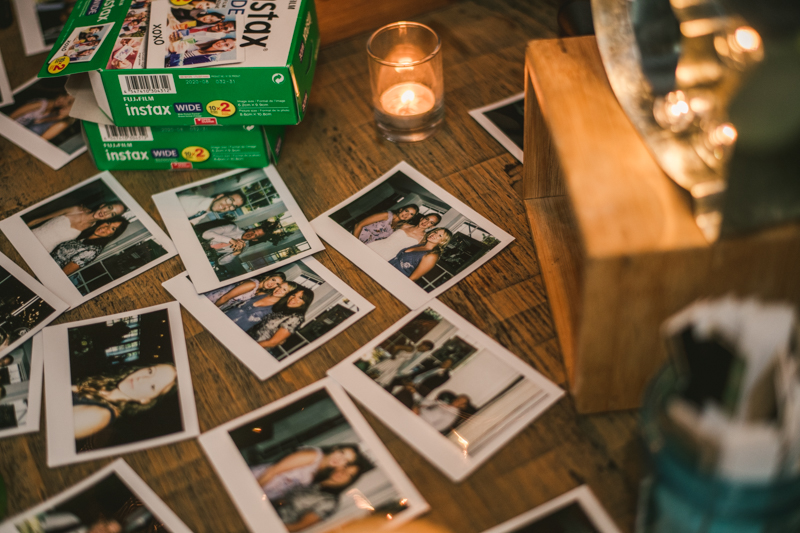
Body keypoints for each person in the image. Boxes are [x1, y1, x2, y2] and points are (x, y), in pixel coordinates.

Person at [71, 363, 178, 439]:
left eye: (152, 386)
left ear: (145, 400)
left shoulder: (101, 415)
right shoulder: (104, 384)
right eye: (150, 371)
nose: (142, 378)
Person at [250, 444, 367, 500]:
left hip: (267, 491)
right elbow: (272, 471)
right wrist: (251, 494)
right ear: (335, 448)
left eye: (345, 461)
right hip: (257, 481)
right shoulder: (313, 456)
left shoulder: (322, 470)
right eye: (341, 453)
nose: (339, 459)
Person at [27, 201, 127, 253]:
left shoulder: (91, 230)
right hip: (28, 237)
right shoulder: (76, 209)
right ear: (103, 205)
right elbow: (39, 219)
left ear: (109, 219)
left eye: (112, 214)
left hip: (43, 253)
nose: (106, 212)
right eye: (109, 207)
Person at [51, 217, 129, 275]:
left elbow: (64, 273)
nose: (106, 227)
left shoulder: (93, 250)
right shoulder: (85, 234)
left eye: (112, 228)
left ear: (112, 235)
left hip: (50, 271)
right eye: (108, 223)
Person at [247, 288, 314, 350]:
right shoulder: (283, 311)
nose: (293, 299)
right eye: (293, 295)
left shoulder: (296, 317)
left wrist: (248, 347)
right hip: (248, 337)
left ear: (305, 302)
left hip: (256, 346)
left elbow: (272, 342)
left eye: (300, 298)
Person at [225, 281, 297, 330]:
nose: (279, 290)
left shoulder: (276, 309)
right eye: (279, 286)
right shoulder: (262, 293)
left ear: (287, 294)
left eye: (284, 290)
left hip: (238, 330)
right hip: (226, 317)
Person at [366, 213, 441, 261]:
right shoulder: (404, 225)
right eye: (426, 219)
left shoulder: (424, 239)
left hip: (388, 256)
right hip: (375, 246)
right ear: (422, 218)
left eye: (431, 222)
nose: (426, 222)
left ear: (432, 226)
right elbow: (384, 231)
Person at [201, 222, 282, 266]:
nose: (251, 234)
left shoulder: (244, 247)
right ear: (251, 228)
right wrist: (230, 240)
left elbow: (220, 262)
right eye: (253, 231)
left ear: (255, 239)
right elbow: (205, 234)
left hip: (205, 256)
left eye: (255, 235)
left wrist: (236, 253)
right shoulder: (232, 227)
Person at [388, 228, 453, 282]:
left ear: (442, 241)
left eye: (440, 235)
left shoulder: (432, 256)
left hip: (396, 279)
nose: (434, 234)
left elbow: (413, 278)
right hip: (388, 269)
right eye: (435, 232)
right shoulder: (421, 245)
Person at [369, 340, 434, 388]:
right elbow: (396, 347)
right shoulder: (412, 348)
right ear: (422, 344)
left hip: (396, 366)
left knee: (379, 379)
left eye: (427, 349)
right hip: (392, 363)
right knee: (375, 375)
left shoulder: (415, 352)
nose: (426, 349)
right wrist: (393, 356)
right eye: (426, 347)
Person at [10, 93, 77, 141]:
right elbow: (12, 116)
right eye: (64, 96)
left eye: (69, 103)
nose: (63, 101)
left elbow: (40, 140)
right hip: (12, 131)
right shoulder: (46, 108)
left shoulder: (61, 122)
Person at [204, 272, 286, 308]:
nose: (272, 284)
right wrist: (211, 310)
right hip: (213, 301)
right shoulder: (252, 284)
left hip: (219, 304)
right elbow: (225, 297)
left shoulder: (257, 289)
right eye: (273, 280)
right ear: (268, 277)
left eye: (277, 284)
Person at [352, 204, 419, 245]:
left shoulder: (397, 227)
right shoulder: (386, 215)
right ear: (401, 210)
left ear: (411, 218)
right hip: (355, 239)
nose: (407, 214)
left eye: (411, 214)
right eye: (406, 211)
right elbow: (358, 225)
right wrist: (355, 242)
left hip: (365, 245)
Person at [179, 190, 245, 225]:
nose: (227, 206)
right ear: (219, 196)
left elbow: (192, 221)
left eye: (233, 206)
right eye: (230, 200)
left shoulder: (205, 210)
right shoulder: (187, 202)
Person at [166, 38, 236, 66]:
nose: (221, 43)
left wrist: (180, 53)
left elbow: (178, 70)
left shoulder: (210, 60)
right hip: (167, 60)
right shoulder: (206, 47)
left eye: (226, 45)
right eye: (224, 40)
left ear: (227, 50)